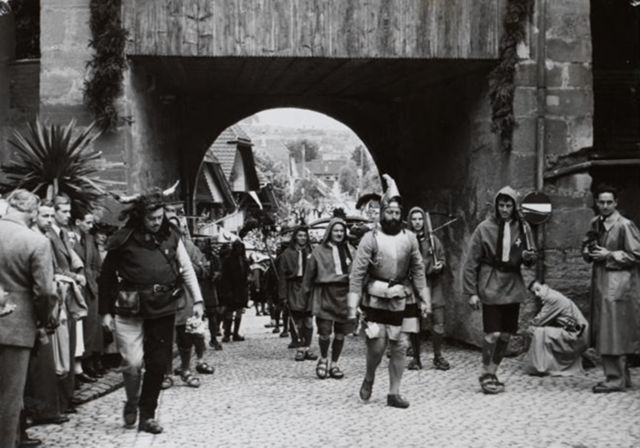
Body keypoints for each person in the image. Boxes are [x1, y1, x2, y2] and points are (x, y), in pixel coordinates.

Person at [99, 188, 205, 434]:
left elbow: (186, 268)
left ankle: (147, 415)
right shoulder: (123, 239)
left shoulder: (171, 235)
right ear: (140, 216)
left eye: (160, 217)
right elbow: (106, 277)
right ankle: (132, 400)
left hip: (163, 307)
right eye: (151, 218)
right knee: (132, 363)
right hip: (129, 309)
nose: (157, 222)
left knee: (157, 364)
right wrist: (105, 312)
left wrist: (198, 299)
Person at [348, 175, 431, 409]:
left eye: (397, 213)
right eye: (389, 212)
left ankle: (394, 392)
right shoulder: (370, 239)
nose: (393, 217)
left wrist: (424, 299)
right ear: (382, 213)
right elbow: (357, 273)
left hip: (402, 297)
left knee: (400, 344)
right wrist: (352, 305)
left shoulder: (410, 239)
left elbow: (418, 269)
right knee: (377, 345)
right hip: (376, 297)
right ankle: (369, 376)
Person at [462, 186, 537, 394]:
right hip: (491, 284)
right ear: (496, 206)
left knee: (505, 335)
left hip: (512, 285)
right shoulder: (484, 228)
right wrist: (472, 292)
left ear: (514, 206)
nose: (504, 209)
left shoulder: (523, 228)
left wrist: (529, 258)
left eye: (508, 205)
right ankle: (484, 372)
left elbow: (529, 257)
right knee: (492, 333)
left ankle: (493, 372)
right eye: (501, 205)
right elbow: (471, 262)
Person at [0, 190, 57, 448]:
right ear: (33, 213)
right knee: (10, 398)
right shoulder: (36, 241)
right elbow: (45, 292)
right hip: (17, 326)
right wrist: (43, 320)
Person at [582, 184, 640, 393]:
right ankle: (621, 377)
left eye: (609, 202)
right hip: (601, 281)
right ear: (596, 203)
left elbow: (636, 254)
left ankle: (615, 379)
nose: (605, 206)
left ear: (616, 203)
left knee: (613, 331)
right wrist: (587, 251)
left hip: (619, 283)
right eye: (601, 202)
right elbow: (587, 248)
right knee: (605, 329)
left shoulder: (625, 225)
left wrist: (610, 254)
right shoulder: (595, 223)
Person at [304, 218, 355, 379]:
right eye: (336, 230)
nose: (339, 233)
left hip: (344, 294)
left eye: (341, 231)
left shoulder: (350, 250)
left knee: (341, 333)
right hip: (325, 293)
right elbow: (308, 276)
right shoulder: (318, 251)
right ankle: (323, 359)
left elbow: (358, 271)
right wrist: (305, 297)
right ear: (329, 232)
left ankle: (334, 363)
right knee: (325, 331)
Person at [406, 206, 450, 371]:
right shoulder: (406, 241)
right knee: (414, 322)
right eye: (414, 219)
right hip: (415, 286)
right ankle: (416, 358)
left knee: (438, 322)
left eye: (420, 219)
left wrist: (440, 265)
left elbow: (442, 258)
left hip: (434, 284)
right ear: (410, 221)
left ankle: (438, 356)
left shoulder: (433, 240)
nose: (417, 222)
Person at [525, 280, 588, 376]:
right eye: (534, 293)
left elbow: (539, 321)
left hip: (577, 335)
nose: (537, 294)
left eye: (538, 289)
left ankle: (544, 366)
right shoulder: (553, 294)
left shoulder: (552, 298)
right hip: (579, 332)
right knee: (543, 331)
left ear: (545, 286)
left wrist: (529, 323)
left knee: (533, 330)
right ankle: (556, 361)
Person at [278, 226, 318, 361]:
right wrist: (283, 295)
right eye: (300, 235)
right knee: (298, 321)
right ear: (295, 237)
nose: (303, 238)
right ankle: (300, 348)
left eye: (305, 236)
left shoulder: (312, 252)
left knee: (309, 320)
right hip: (294, 288)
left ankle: (307, 347)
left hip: (309, 288)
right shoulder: (287, 254)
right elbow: (282, 277)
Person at [74, 211, 105, 379]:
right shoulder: (71, 239)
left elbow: (97, 264)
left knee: (94, 325)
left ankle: (92, 359)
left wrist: (94, 278)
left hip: (92, 286)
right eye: (88, 222)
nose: (91, 226)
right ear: (78, 222)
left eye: (92, 223)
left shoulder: (90, 239)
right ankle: (82, 362)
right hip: (78, 287)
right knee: (82, 326)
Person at [220, 240, 249, 342]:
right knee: (229, 312)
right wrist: (226, 291)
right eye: (237, 248)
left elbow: (246, 275)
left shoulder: (244, 261)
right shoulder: (228, 261)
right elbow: (225, 277)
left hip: (241, 289)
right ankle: (227, 334)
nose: (239, 250)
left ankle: (235, 333)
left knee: (239, 311)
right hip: (231, 290)